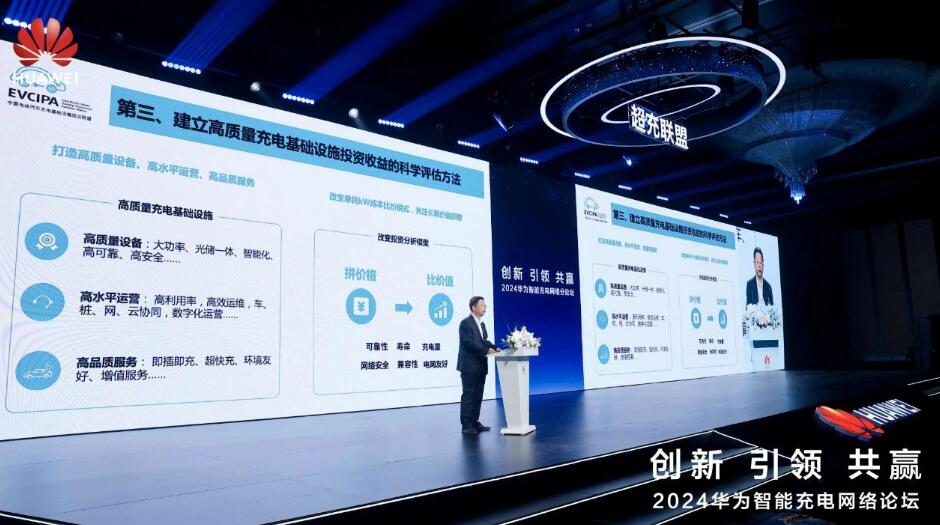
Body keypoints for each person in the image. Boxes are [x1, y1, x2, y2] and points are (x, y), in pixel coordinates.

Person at [457, 296, 499, 435]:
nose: (484, 308)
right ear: (473, 307)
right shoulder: (465, 323)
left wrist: (494, 347)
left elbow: (483, 341)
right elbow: (469, 343)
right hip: (469, 366)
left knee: (478, 396)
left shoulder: (482, 324)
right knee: (469, 395)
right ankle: (466, 426)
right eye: (482, 305)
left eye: (485, 305)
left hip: (480, 365)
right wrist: (487, 350)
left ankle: (474, 422)